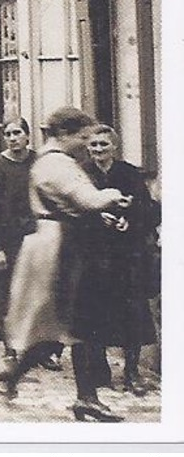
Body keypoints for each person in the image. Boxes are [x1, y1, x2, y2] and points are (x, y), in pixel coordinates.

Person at [0, 106, 132, 422]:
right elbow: (86, 199)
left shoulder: (47, 160)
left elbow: (72, 203)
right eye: (82, 137)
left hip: (53, 240)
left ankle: (14, 377)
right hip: (62, 246)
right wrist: (114, 196)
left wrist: (100, 213)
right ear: (65, 134)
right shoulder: (57, 164)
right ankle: (87, 399)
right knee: (80, 322)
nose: (86, 144)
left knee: (54, 325)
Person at [75, 124, 158, 395]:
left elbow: (150, 211)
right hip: (94, 256)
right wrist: (97, 217)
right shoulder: (81, 174)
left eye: (104, 145)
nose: (99, 150)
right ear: (88, 148)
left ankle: (132, 371)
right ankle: (100, 371)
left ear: (114, 147)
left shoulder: (129, 173)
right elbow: (71, 211)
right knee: (96, 313)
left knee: (131, 314)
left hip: (125, 257)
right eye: (94, 145)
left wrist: (129, 219)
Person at [0, 118, 61, 370]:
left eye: (17, 133)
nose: (13, 138)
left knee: (44, 292)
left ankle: (47, 350)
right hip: (8, 240)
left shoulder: (38, 163)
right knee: (7, 294)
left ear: (28, 136)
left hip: (37, 236)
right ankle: (12, 348)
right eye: (8, 134)